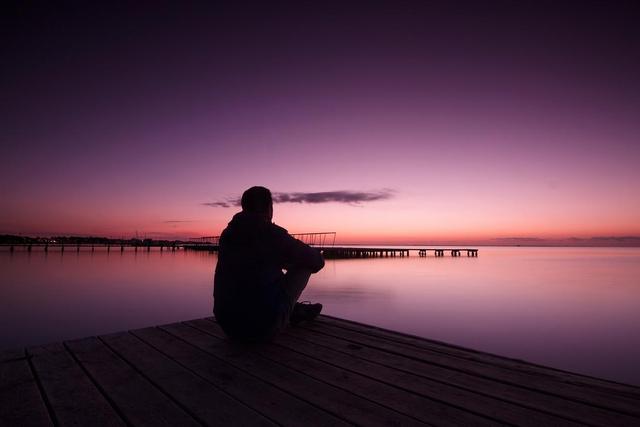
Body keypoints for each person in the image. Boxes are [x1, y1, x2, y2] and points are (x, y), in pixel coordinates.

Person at [213, 186, 325, 341]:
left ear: (244, 207)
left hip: (228, 325)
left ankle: (293, 310)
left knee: (262, 268)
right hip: (263, 328)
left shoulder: (228, 234)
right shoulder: (271, 233)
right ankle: (287, 311)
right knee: (304, 264)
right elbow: (316, 262)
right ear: (269, 208)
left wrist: (281, 261)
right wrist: (296, 260)